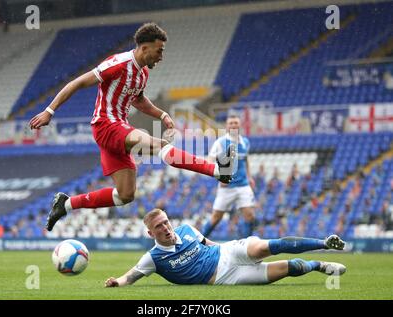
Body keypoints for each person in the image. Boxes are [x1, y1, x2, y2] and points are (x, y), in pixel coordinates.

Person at [29, 22, 235, 232]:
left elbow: (138, 100)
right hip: (106, 125)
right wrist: (50, 111)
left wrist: (162, 114)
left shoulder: (143, 73)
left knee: (125, 195)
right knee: (159, 145)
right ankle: (217, 170)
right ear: (145, 48)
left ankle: (66, 203)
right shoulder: (117, 63)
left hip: (118, 130)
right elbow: (78, 82)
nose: (161, 56)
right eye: (159, 50)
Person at [104, 208, 346, 287]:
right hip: (226, 277)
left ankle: (324, 243)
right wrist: (118, 282)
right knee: (290, 267)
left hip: (228, 251)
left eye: (166, 222)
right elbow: (131, 275)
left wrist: (232, 248)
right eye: (159, 227)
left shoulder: (187, 229)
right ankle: (319, 265)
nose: (166, 228)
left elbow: (210, 244)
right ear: (150, 233)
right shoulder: (153, 258)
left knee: (268, 246)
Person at [202, 114, 255, 238]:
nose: (233, 125)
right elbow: (209, 161)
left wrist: (250, 176)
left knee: (250, 215)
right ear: (226, 126)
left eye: (235, 123)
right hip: (227, 188)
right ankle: (199, 243)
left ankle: (247, 248)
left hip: (243, 186)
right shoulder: (220, 143)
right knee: (215, 218)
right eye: (230, 123)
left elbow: (246, 159)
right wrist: (220, 176)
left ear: (239, 125)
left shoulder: (245, 142)